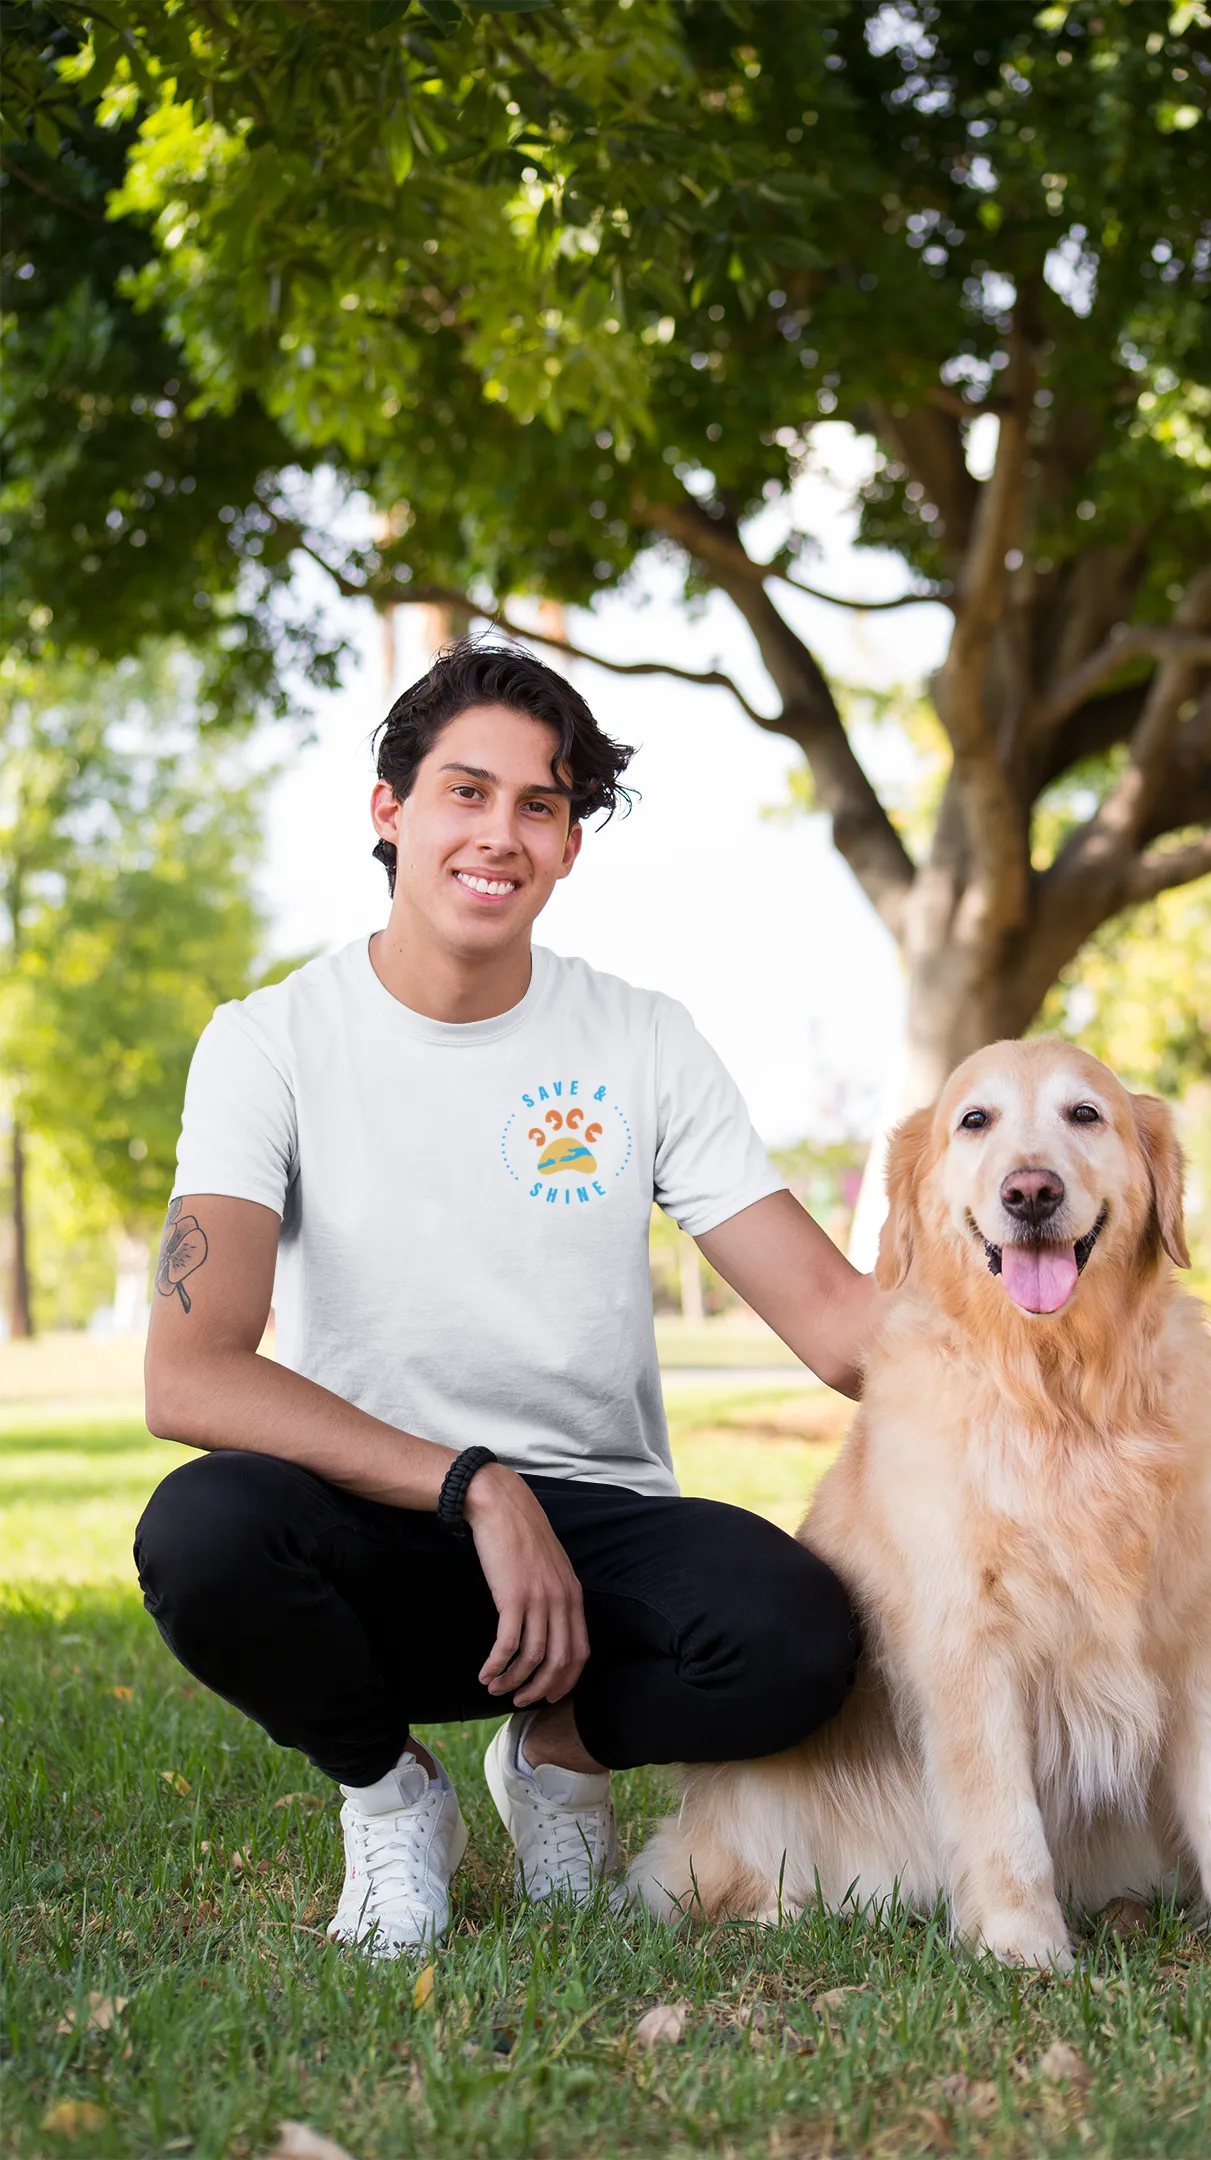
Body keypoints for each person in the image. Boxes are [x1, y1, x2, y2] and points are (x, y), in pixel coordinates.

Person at [136, 640, 880, 1957]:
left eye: (542, 805)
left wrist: (1050, 1297)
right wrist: (476, 1483)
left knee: (800, 1639)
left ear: (573, 843)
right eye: (465, 793)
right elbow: (190, 1373)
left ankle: (557, 1752)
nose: (502, 834)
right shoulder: (269, 1042)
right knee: (203, 1532)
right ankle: (391, 1790)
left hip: (595, 1547)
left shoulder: (643, 1040)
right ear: (391, 810)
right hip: (375, 1520)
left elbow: (836, 1323)